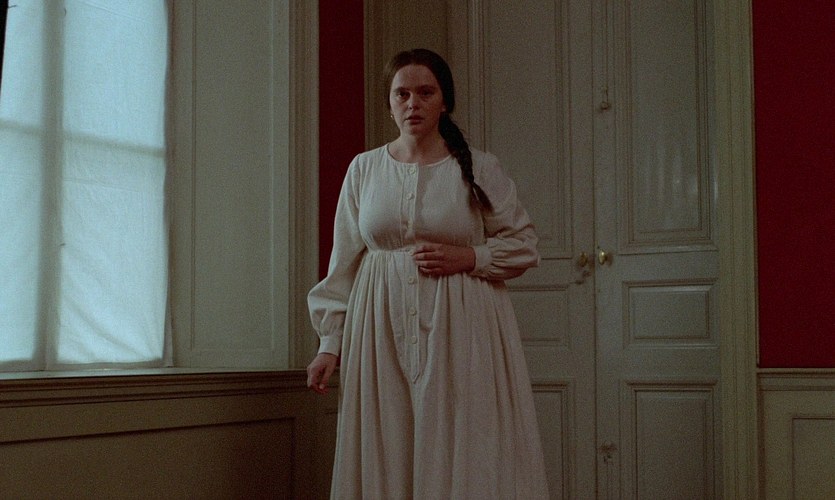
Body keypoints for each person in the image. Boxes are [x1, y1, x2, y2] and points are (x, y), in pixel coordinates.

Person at [307, 48, 549, 499]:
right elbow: (343, 265)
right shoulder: (364, 169)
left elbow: (524, 245)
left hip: (463, 327)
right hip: (379, 329)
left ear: (444, 101)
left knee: (462, 442)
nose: (413, 104)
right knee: (388, 443)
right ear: (389, 103)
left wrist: (470, 257)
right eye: (402, 94)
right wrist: (329, 345)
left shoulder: (478, 167)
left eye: (425, 93)